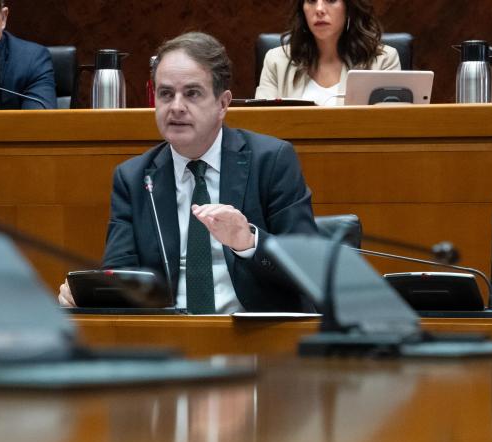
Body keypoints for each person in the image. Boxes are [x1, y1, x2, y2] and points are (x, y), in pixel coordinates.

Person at [59, 32, 318, 313]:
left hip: (256, 340)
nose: (177, 107)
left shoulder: (271, 161)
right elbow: (121, 275)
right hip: (170, 340)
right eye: (166, 94)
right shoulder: (133, 178)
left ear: (223, 104)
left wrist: (249, 243)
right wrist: (87, 293)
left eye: (192, 93)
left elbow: (310, 268)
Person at [255, 0, 400, 106]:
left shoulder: (383, 61)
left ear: (348, 8)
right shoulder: (275, 61)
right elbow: (263, 124)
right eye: (311, 1)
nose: (319, 9)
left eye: (331, 0)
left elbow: (390, 124)